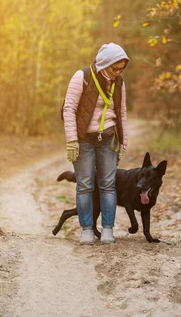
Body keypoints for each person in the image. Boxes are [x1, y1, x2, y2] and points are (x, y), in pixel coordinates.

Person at [62, 43, 129, 245]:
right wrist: (72, 140)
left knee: (108, 185)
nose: (118, 73)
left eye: (121, 69)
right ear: (104, 64)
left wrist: (123, 142)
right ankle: (86, 230)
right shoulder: (82, 77)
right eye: (114, 68)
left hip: (108, 138)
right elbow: (69, 109)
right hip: (83, 140)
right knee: (84, 186)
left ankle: (108, 229)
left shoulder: (119, 83)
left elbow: (122, 113)